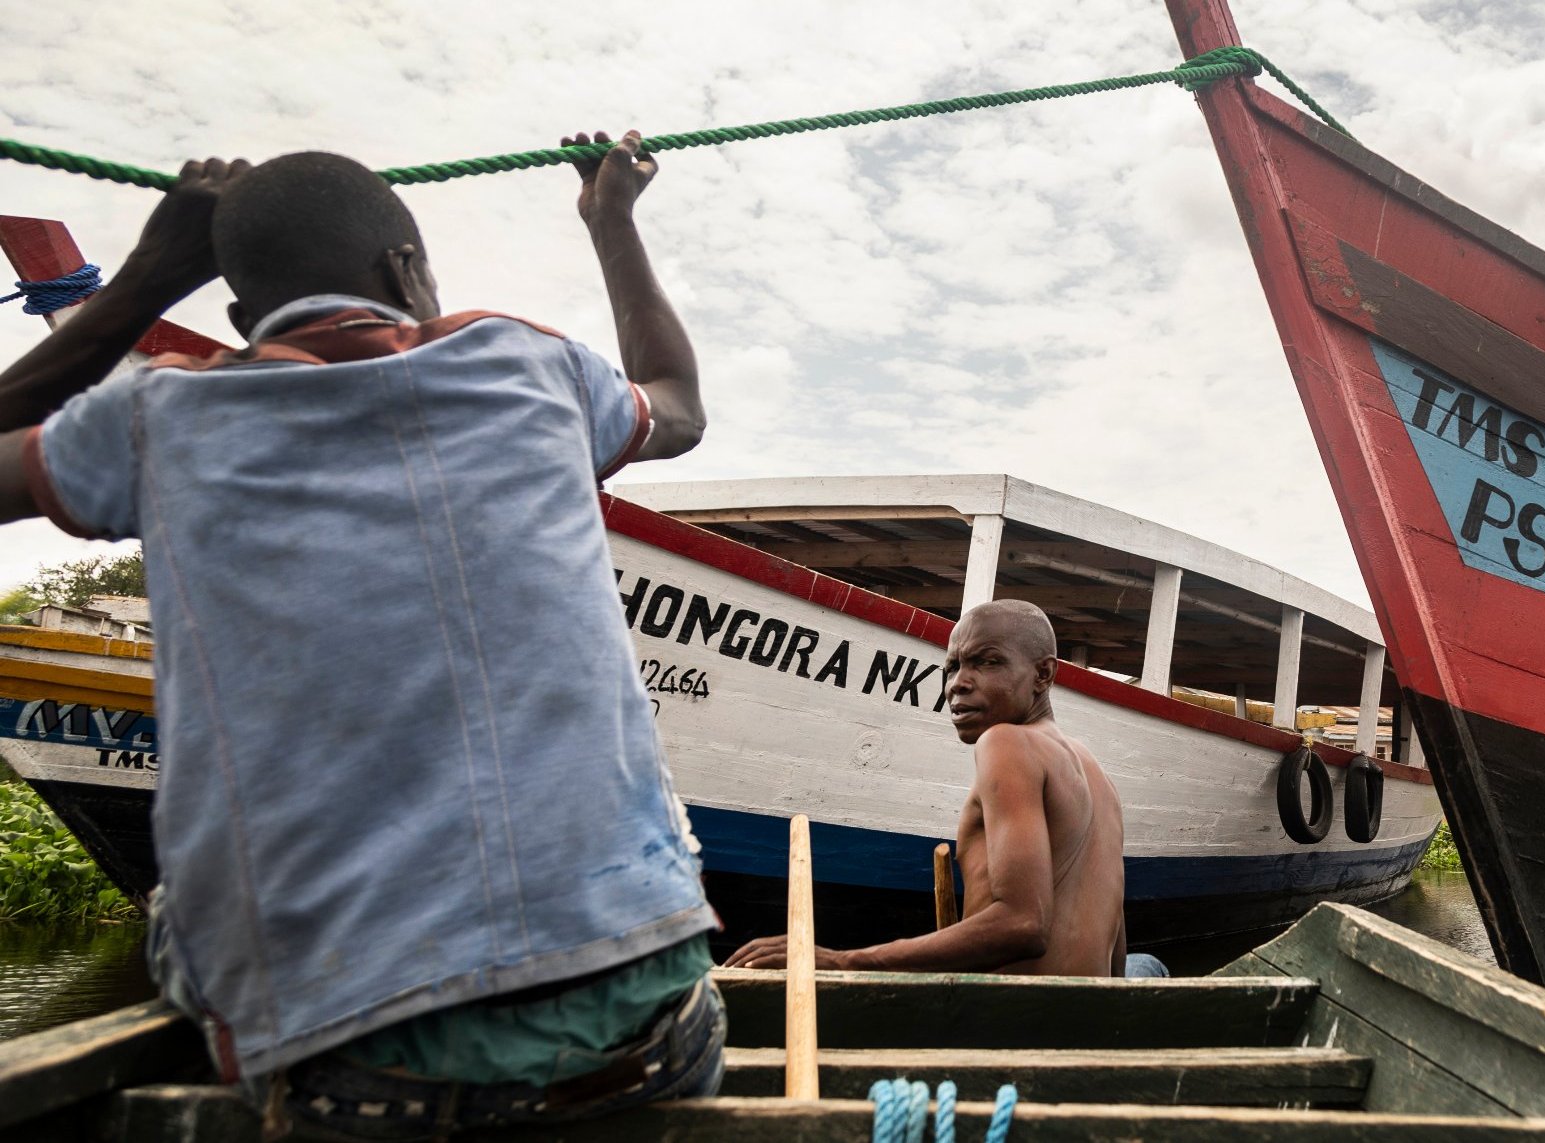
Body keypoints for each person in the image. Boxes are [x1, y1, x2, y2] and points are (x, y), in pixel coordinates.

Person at [0, 131, 723, 1139]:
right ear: (406, 270)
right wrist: (612, 222)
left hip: (364, 1081)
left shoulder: (156, 415)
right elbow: (680, 408)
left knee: (180, 914)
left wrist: (147, 278)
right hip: (655, 1040)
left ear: (243, 317)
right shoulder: (535, 369)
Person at [724, 599, 1145, 975]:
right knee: (1148, 966)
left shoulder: (1006, 742)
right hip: (1090, 1020)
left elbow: (1023, 925)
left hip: (1017, 1027)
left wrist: (842, 961)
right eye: (952, 666)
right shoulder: (1099, 776)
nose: (958, 682)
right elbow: (1116, 959)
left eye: (987, 662)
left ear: (1043, 674)